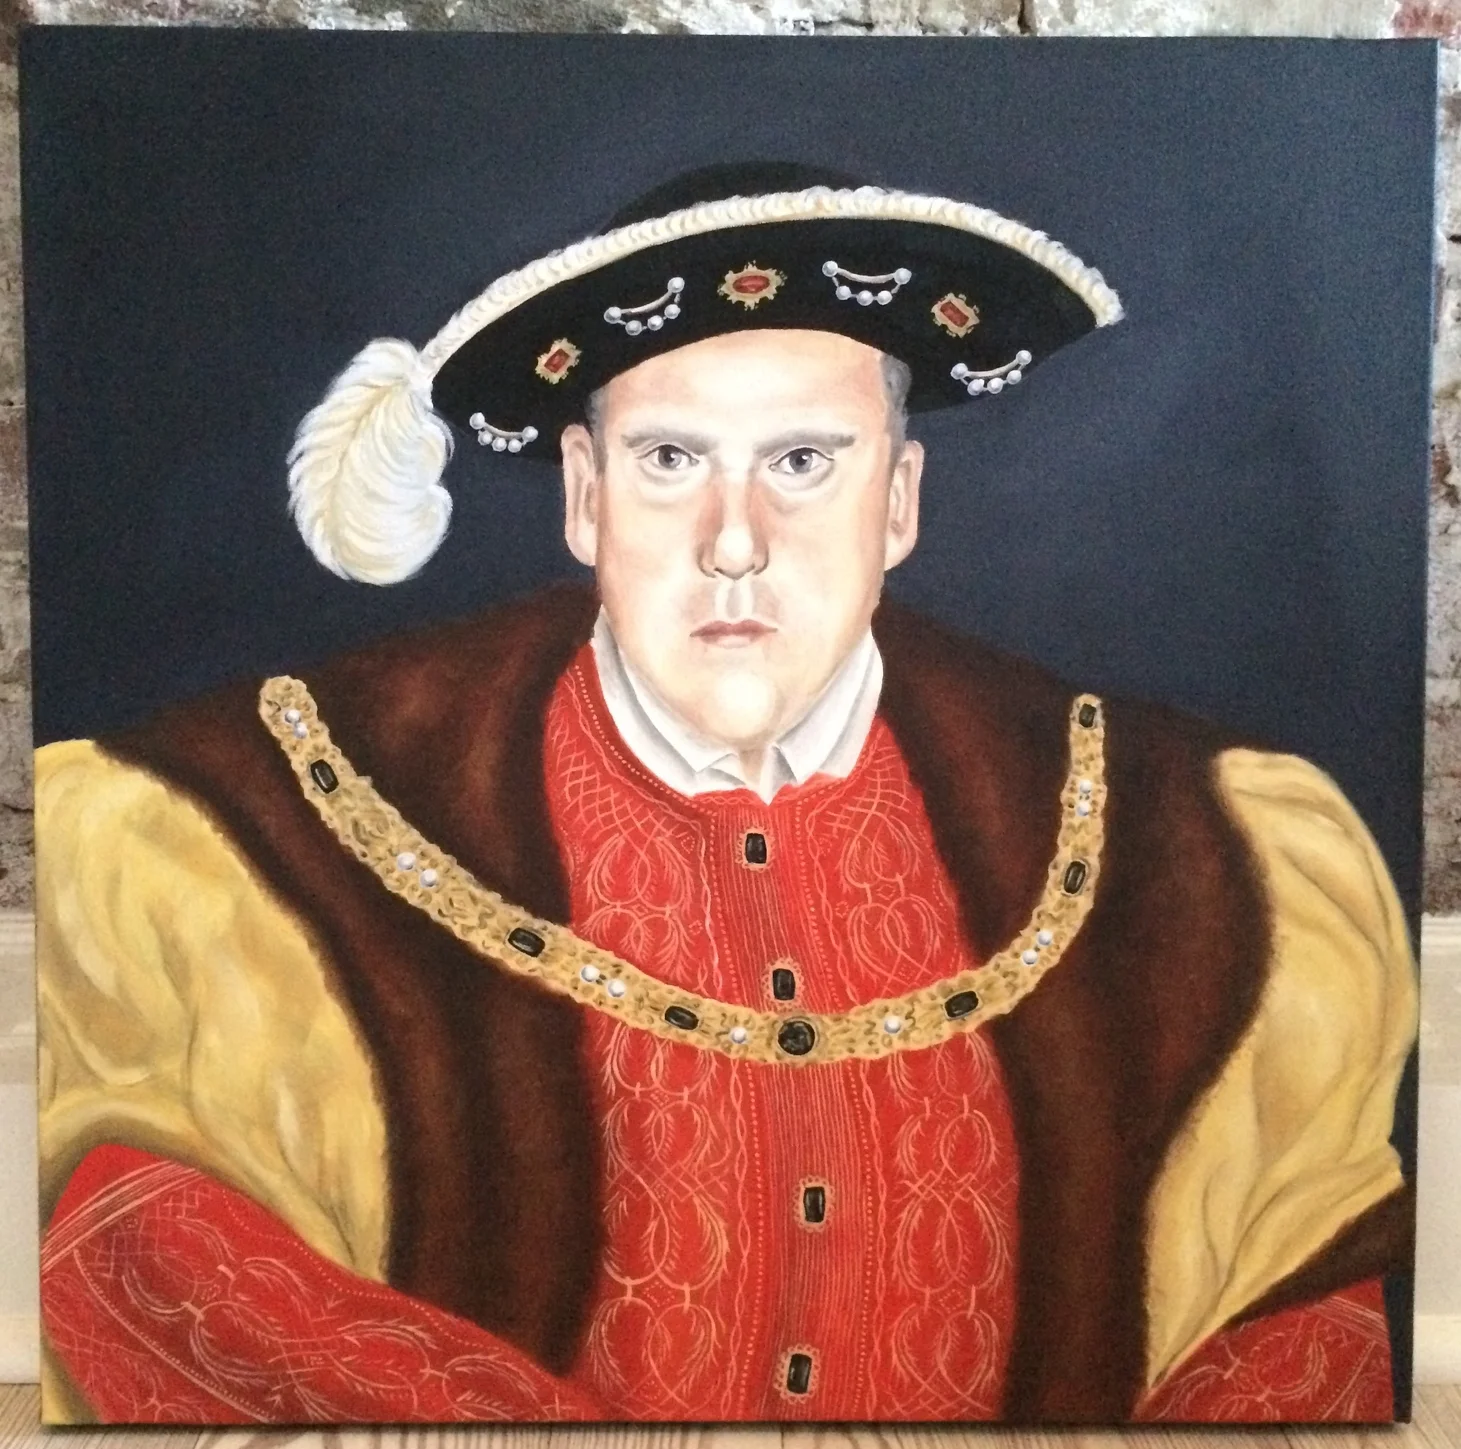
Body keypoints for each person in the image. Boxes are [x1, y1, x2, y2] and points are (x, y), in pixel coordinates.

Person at [34, 163, 1417, 1426]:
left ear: (900, 501)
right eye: (670, 460)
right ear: (584, 496)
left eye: (803, 463)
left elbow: (1300, 1320)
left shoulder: (1200, 843)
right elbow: (150, 1258)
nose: (735, 543)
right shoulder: (247, 825)